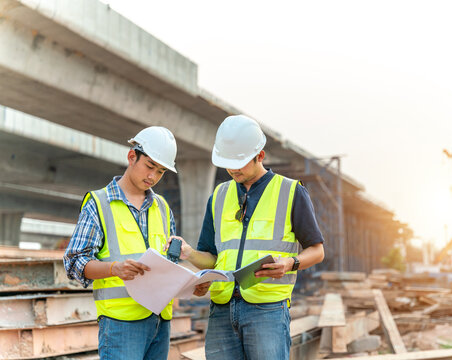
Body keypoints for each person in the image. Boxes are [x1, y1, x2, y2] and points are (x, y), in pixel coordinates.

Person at [170, 115, 325, 360]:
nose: (232, 169)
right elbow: (213, 258)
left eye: (239, 163)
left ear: (260, 156)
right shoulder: (219, 196)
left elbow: (317, 251)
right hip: (221, 311)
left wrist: (290, 263)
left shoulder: (291, 191)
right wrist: (189, 254)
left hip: (267, 312)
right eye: (227, 162)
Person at [63, 126, 178, 360]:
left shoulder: (163, 208)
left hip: (160, 322)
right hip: (120, 325)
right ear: (131, 156)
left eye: (161, 171)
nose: (153, 177)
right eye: (149, 166)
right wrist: (114, 268)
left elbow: (169, 263)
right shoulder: (99, 203)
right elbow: (74, 262)